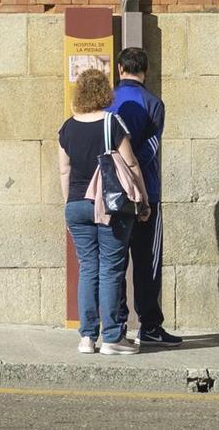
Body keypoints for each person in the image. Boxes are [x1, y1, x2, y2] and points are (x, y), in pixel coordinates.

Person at [59, 67, 149, 356]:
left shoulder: (67, 127)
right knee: (111, 269)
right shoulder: (112, 122)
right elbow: (132, 164)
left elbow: (64, 170)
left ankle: (86, 337)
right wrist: (143, 200)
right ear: (104, 93)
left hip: (76, 204)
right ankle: (112, 337)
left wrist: (70, 204)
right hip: (111, 206)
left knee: (88, 268)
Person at [108, 47, 182, 347]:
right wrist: (137, 182)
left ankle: (117, 326)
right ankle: (150, 325)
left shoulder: (107, 100)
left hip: (109, 193)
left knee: (113, 260)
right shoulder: (153, 103)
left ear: (119, 68)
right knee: (146, 261)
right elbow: (150, 150)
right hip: (145, 191)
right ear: (146, 70)